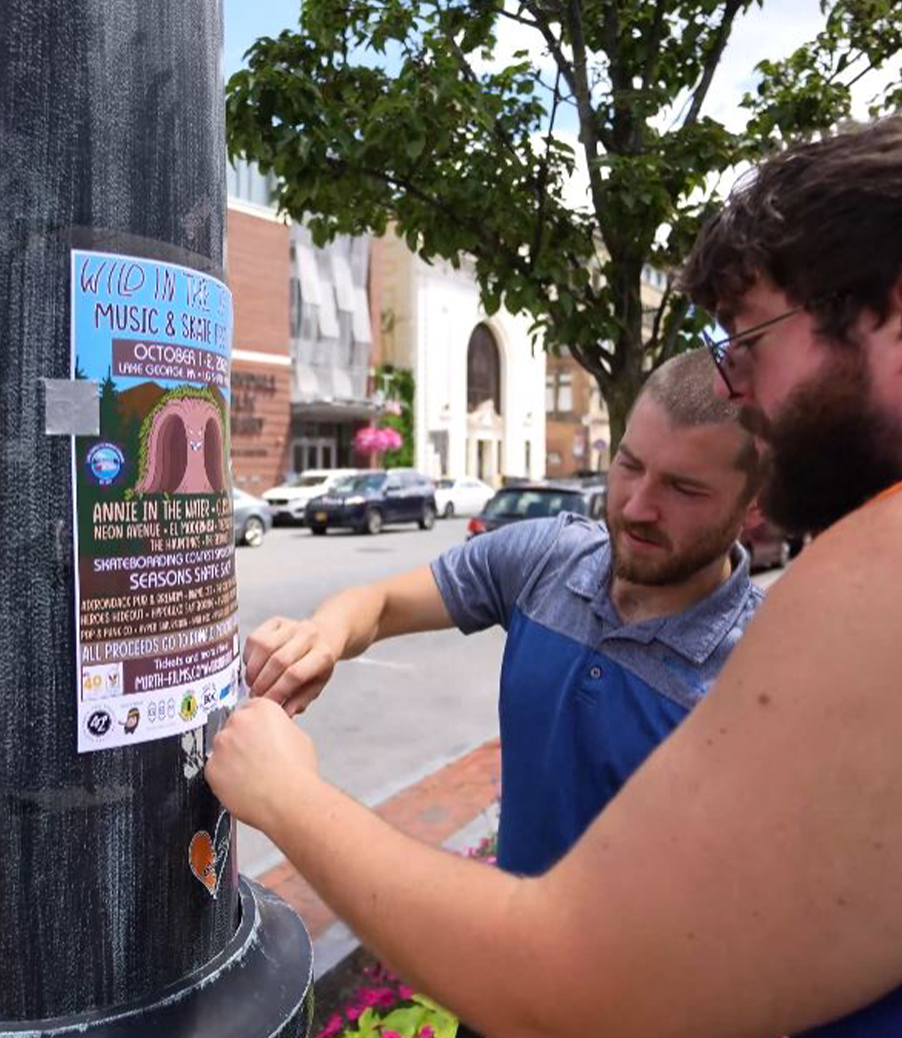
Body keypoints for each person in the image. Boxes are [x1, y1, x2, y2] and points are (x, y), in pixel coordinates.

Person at [206, 102, 902, 1037]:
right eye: (629, 466)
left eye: (748, 339)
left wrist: (287, 795)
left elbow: (573, 989)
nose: (740, 391)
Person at [244, 349, 767, 878]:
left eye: (684, 488)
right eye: (629, 465)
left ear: (755, 505)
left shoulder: (766, 675)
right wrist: (322, 635)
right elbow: (379, 605)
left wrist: (289, 800)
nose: (636, 507)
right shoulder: (550, 556)